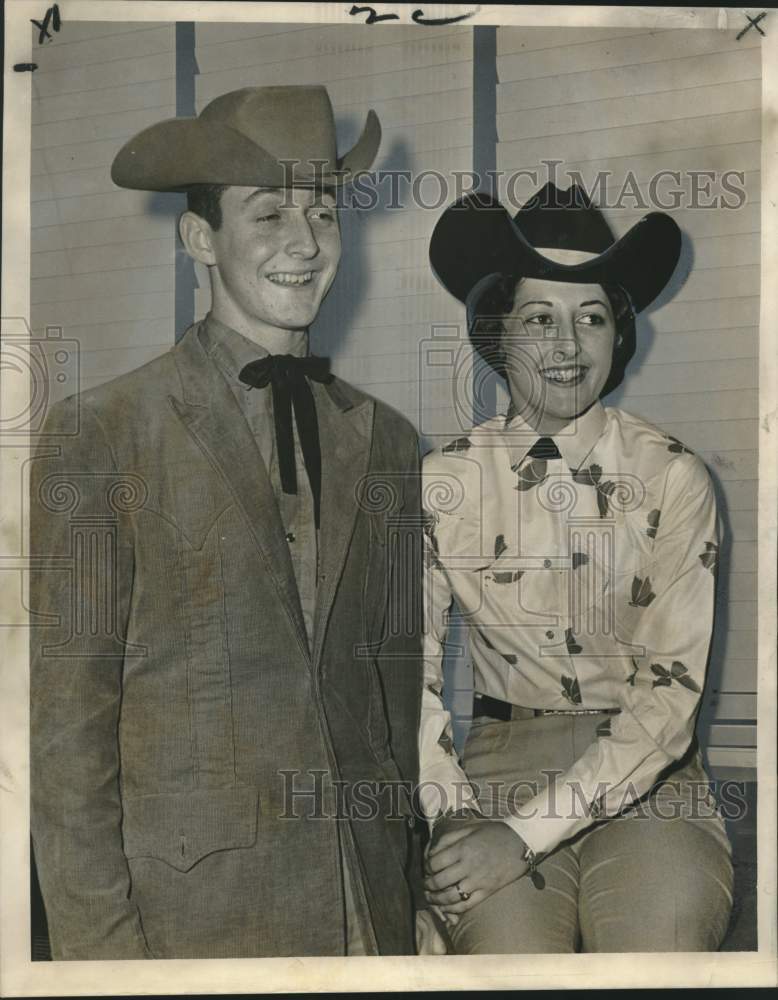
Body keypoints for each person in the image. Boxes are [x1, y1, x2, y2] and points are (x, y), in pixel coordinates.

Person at [29, 85, 427, 959]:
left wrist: (403, 898)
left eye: (323, 212)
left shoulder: (391, 441)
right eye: (269, 213)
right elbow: (68, 742)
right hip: (191, 931)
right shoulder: (103, 431)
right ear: (198, 238)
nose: (305, 243)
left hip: (365, 918)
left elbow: (391, 706)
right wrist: (102, 965)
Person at [418, 183, 734, 953]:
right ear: (497, 331)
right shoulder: (438, 484)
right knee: (505, 958)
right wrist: (455, 812)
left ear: (616, 334)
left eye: (590, 317)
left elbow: (667, 702)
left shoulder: (674, 477)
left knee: (660, 938)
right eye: (539, 319)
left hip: (650, 772)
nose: (567, 346)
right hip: (497, 767)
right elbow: (407, 673)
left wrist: (523, 838)